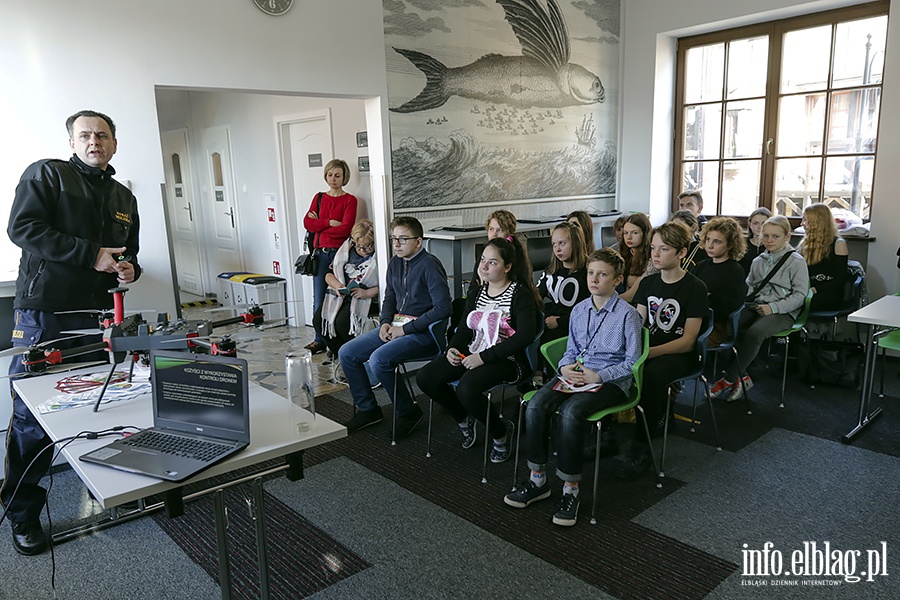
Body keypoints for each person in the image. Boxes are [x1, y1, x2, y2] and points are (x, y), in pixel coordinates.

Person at [3, 110, 142, 556]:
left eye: (102, 135)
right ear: (72, 142)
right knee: (33, 420)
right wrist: (92, 255)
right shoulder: (48, 175)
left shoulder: (123, 196)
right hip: (45, 314)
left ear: (115, 143)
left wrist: (128, 268)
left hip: (98, 315)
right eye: (85, 135)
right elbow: (22, 229)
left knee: (103, 400)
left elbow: (130, 252)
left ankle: (110, 484)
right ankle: (22, 513)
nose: (94, 141)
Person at [503, 248, 642, 526]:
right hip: (576, 374)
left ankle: (570, 489)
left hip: (610, 380)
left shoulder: (628, 315)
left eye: (602, 274)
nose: (594, 279)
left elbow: (633, 362)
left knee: (571, 413)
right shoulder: (580, 309)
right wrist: (565, 368)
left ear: (617, 280)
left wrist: (598, 377)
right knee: (537, 405)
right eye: (591, 273)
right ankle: (537, 479)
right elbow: (571, 350)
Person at [417, 237, 539, 463]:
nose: (483, 266)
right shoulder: (476, 293)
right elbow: (464, 331)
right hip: (474, 352)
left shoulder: (520, 294)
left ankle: (501, 433)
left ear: (508, 267)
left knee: (467, 388)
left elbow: (525, 337)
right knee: (426, 377)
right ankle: (464, 418)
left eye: (492, 263)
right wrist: (453, 349)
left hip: (509, 359)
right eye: (482, 260)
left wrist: (483, 357)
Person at [338, 216, 452, 439]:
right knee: (347, 353)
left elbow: (443, 308)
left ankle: (408, 411)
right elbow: (389, 298)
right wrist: (385, 323)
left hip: (423, 334)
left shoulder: (429, 264)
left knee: (379, 359)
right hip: (396, 327)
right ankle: (369, 410)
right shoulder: (395, 263)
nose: (397, 244)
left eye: (403, 239)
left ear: (418, 242)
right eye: (393, 239)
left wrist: (405, 330)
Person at [616, 222, 708, 480]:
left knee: (651, 374)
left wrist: (648, 354)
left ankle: (641, 446)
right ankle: (607, 432)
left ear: (681, 252)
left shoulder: (695, 287)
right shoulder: (648, 284)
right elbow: (638, 322)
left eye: (664, 249)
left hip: (680, 355)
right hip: (649, 348)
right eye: (654, 248)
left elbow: (688, 342)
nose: (655, 254)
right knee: (610, 365)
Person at [710, 215, 809, 402]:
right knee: (725, 327)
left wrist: (773, 307)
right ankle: (743, 376)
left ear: (787, 237)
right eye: (766, 236)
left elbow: (800, 295)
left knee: (755, 333)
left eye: (775, 236)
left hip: (784, 311)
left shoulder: (796, 261)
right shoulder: (759, 260)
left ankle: (730, 378)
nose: (769, 240)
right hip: (757, 305)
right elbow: (750, 287)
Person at [302, 159, 358, 354]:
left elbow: (345, 230)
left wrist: (322, 227)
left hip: (339, 256)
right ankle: (319, 339)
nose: (333, 179)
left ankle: (336, 338)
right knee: (318, 298)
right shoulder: (319, 197)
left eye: (337, 175)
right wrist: (329, 222)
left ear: (344, 178)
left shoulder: (350, 200)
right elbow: (308, 224)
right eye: (330, 175)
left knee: (339, 296)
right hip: (319, 255)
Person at [312, 219, 379, 365]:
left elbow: (388, 284)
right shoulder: (346, 250)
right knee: (320, 320)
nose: (363, 250)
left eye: (368, 246)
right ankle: (343, 357)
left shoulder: (380, 256)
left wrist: (367, 293)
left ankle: (355, 360)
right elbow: (329, 274)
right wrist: (338, 286)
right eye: (359, 246)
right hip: (342, 295)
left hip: (366, 298)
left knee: (343, 323)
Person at [692, 217, 748, 345]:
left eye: (717, 242)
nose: (710, 245)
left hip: (714, 325)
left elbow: (730, 306)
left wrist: (704, 299)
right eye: (708, 239)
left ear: (730, 244)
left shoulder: (734, 270)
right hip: (694, 318)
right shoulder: (701, 265)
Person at [536, 222, 590, 347]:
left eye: (562, 243)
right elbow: (536, 295)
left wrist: (560, 321)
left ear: (575, 243)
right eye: (554, 244)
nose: (557, 249)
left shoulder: (588, 270)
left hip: (575, 327)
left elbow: (591, 310)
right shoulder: (552, 270)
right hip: (549, 322)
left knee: (545, 344)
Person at [797, 203, 849, 312]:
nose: (802, 224)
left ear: (817, 223)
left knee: (794, 304)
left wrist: (815, 289)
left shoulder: (838, 244)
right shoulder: (803, 245)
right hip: (806, 291)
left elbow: (840, 279)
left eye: (805, 220)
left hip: (828, 294)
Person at [618, 212, 655, 304]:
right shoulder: (624, 254)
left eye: (634, 233)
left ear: (645, 233)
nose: (629, 237)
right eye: (625, 233)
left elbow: (630, 296)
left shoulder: (652, 259)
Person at [738, 207, 771, 276]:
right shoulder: (741, 243)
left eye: (763, 224)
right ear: (750, 224)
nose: (759, 227)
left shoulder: (772, 245)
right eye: (755, 223)